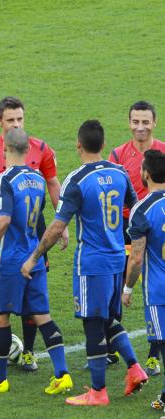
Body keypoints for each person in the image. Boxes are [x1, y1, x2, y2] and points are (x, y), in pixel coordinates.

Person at [22, 120, 147, 405]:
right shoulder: (120, 172)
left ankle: (98, 392)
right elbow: (137, 208)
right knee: (108, 320)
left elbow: (56, 227)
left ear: (78, 145)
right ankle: (134, 367)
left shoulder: (77, 180)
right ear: (103, 145)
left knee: (93, 322)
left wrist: (33, 258)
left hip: (92, 263)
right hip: (118, 259)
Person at [0, 128, 70, 394]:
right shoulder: (36, 178)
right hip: (33, 256)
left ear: (4, 150)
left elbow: (2, 220)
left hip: (9, 259)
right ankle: (62, 374)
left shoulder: (4, 179)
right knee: (42, 315)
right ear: (28, 151)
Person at [110, 101, 165, 376]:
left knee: (151, 287)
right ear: (129, 122)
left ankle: (154, 354)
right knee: (118, 282)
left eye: (145, 122)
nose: (140, 127)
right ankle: (112, 344)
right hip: (124, 227)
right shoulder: (118, 154)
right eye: (135, 121)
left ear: (154, 122)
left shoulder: (164, 152)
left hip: (155, 228)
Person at [124, 149, 165, 412]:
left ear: (145, 174)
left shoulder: (142, 209)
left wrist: (127, 288)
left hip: (159, 291)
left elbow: (136, 258)